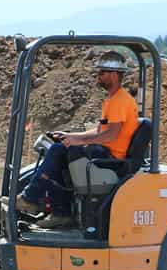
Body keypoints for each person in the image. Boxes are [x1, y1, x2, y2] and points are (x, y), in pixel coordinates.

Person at [16, 51, 139, 228]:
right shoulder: (113, 100)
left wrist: (77, 142)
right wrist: (71, 136)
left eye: (101, 73)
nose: (98, 77)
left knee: (58, 151)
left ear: (113, 75)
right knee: (60, 149)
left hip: (111, 159)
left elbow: (111, 135)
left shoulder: (120, 101)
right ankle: (60, 212)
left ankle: (31, 198)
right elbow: (99, 130)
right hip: (104, 152)